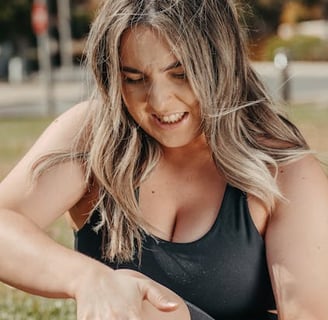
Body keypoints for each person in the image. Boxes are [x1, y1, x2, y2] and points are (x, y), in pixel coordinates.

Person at [0, 0, 327, 319]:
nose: (159, 101)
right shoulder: (93, 136)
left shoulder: (284, 169)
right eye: (134, 78)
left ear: (220, 63)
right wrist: (87, 277)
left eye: (181, 73)